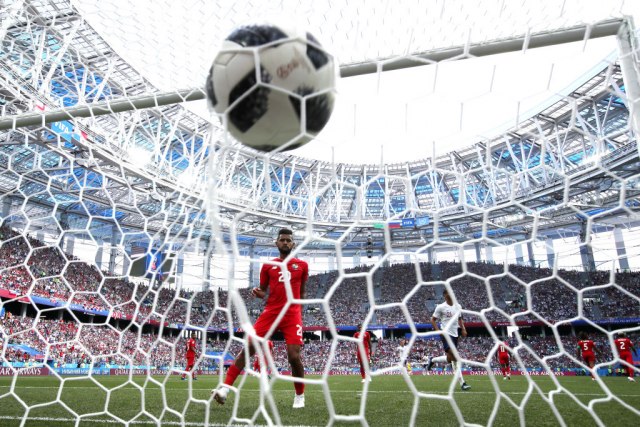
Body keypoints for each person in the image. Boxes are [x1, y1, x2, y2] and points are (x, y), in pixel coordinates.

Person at [212, 228, 309, 408]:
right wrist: (258, 292)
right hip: (271, 312)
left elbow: (302, 292)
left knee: (294, 356)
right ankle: (225, 389)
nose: (285, 242)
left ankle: (299, 395)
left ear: (293, 244)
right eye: (282, 240)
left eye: (288, 240)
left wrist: (298, 312)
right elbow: (263, 290)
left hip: (292, 314)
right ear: (276, 243)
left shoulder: (302, 265)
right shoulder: (267, 266)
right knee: (249, 347)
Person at [426, 288, 471, 391]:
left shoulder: (458, 306)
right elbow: (432, 319)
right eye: (448, 293)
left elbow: (460, 319)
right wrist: (438, 331)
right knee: (456, 357)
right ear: (445, 295)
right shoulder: (441, 307)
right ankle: (462, 383)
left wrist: (463, 329)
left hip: (455, 335)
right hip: (445, 334)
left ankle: (432, 360)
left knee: (450, 359)